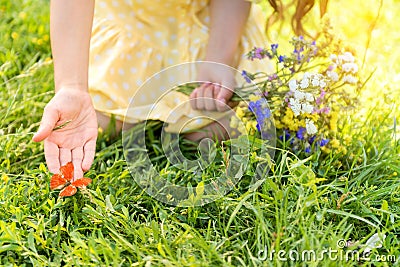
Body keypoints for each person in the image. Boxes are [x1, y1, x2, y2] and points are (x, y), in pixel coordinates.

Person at [32, 0, 327, 179]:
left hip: (207, 25)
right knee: (104, 122)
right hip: (133, 27)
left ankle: (171, 111)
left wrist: (218, 59)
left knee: (215, 129)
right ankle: (136, 113)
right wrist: (72, 86)